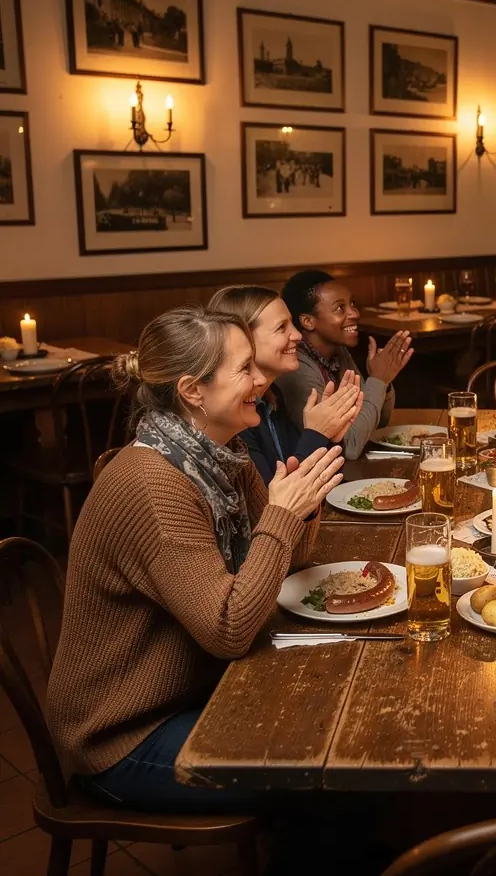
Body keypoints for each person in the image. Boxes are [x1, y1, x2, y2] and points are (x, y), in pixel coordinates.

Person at [46, 305, 344, 813]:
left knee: (337, 713)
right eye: (244, 369)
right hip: (124, 732)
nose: (260, 380)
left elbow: (281, 565)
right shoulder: (154, 484)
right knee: (324, 771)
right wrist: (280, 515)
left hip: (197, 687)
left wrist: (298, 510)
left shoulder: (223, 455)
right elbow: (228, 628)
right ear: (191, 390)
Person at [209, 284, 364, 484]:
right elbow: (273, 504)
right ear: (244, 339)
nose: (298, 336)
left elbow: (318, 482)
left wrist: (330, 436)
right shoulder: (236, 417)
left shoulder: (272, 399)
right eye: (282, 328)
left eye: (291, 324)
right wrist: (317, 433)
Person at [275, 270, 413, 459]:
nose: (355, 313)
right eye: (340, 308)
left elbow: (377, 421)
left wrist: (384, 381)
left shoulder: (337, 351)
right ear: (308, 321)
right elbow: (350, 445)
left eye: (353, 304)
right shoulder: (296, 368)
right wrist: (378, 379)